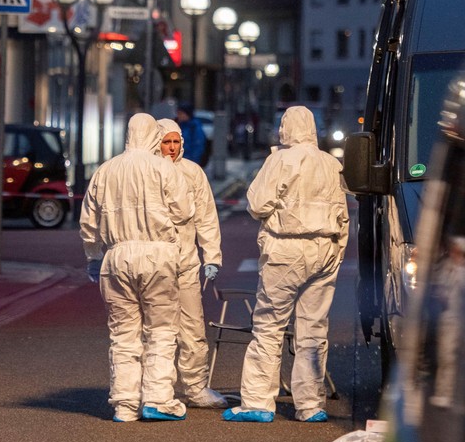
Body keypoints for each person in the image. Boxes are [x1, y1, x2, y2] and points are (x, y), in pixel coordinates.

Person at [223, 105, 349, 423]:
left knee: (269, 326)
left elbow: (256, 203)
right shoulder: (331, 164)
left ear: (286, 128)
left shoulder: (280, 159)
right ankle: (310, 404)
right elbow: (343, 215)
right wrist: (338, 251)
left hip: (285, 250)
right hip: (325, 249)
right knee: (313, 330)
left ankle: (257, 402)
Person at [80, 113, 195, 422]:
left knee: (123, 332)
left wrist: (93, 256)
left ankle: (125, 403)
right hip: (158, 254)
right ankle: (157, 399)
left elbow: (89, 221)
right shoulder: (164, 169)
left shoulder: (106, 170)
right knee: (160, 329)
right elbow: (184, 212)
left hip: (116, 257)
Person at [157, 118, 228, 409]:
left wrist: (211, 256)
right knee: (157, 329)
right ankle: (156, 387)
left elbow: (206, 218)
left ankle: (195, 387)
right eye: (166, 142)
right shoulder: (146, 172)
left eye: (175, 142)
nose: (171, 147)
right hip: (156, 263)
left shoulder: (192, 172)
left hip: (185, 261)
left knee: (192, 327)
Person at [429, 236, 465, 409]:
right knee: (444, 357)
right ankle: (443, 392)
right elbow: (438, 286)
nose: (454, 254)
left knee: (453, 358)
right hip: (445, 318)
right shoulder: (447, 267)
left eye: (458, 251)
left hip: (459, 320)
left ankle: (452, 394)